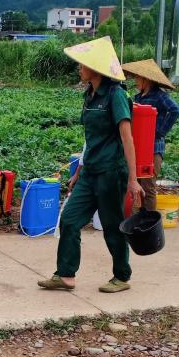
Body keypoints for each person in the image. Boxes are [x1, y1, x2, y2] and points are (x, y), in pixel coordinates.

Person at [38, 37, 143, 294]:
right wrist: (79, 170)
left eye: (82, 64)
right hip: (91, 172)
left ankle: (122, 276)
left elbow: (127, 138)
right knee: (70, 219)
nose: (78, 68)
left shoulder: (116, 96)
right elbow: (90, 139)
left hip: (111, 173)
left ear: (96, 69)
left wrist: (133, 178)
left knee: (111, 225)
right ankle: (65, 275)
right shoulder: (90, 95)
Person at [122, 58, 179, 213]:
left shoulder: (159, 96)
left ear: (146, 79)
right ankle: (140, 218)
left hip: (154, 149)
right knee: (137, 185)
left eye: (137, 77)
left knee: (148, 187)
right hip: (139, 148)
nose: (135, 80)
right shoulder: (138, 97)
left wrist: (160, 131)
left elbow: (175, 110)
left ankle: (149, 223)